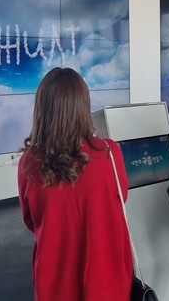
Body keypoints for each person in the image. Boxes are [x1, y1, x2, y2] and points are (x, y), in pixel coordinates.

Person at [17, 68, 132, 301]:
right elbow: (121, 199)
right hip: (109, 281)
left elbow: (31, 221)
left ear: (42, 108)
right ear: (83, 106)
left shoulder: (29, 162)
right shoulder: (109, 152)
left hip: (54, 283)